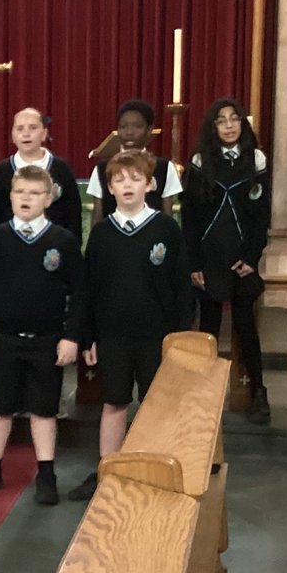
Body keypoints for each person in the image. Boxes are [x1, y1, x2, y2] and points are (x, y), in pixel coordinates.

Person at [68, 149, 194, 502]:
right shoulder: (103, 234)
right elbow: (89, 290)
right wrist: (88, 336)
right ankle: (108, 468)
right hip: (113, 334)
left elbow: (181, 287)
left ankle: (157, 470)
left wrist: (179, 337)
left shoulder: (166, 229)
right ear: (109, 187)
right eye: (119, 180)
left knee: (157, 404)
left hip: (157, 334)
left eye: (135, 179)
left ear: (150, 185)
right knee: (114, 401)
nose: (127, 185)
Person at [0, 167, 84, 502]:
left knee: (44, 410)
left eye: (33, 193)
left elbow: (81, 293)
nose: (26, 199)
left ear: (48, 198)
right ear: (10, 196)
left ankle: (46, 474)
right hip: (3, 338)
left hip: (47, 340)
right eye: (20, 192)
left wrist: (72, 337)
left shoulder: (62, 241)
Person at [181, 97, 272, 424]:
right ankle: (204, 396)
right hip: (208, 257)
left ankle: (259, 392)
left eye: (235, 119)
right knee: (208, 329)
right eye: (222, 120)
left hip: (242, 259)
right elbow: (189, 219)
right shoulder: (200, 162)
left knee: (247, 328)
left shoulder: (256, 160)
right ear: (213, 126)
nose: (230, 125)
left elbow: (262, 216)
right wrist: (194, 263)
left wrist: (252, 256)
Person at [0, 107, 82, 244]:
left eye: (33, 128)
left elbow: (73, 215)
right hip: (10, 245)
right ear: (13, 136)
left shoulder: (61, 169)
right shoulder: (2, 172)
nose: (26, 134)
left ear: (44, 134)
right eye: (20, 129)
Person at [87, 99, 182, 224]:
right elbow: (98, 215)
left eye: (137, 126)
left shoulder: (164, 167)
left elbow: (167, 213)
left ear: (149, 130)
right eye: (123, 127)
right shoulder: (102, 168)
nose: (129, 132)